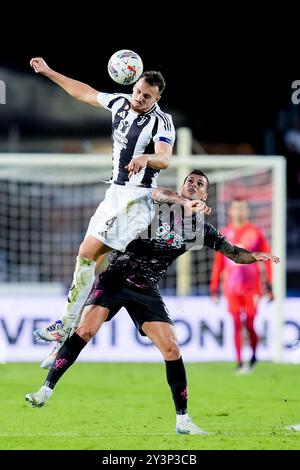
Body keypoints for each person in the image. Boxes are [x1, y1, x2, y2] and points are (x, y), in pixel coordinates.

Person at [26, 171, 279, 434]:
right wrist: (182, 203)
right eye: (189, 181)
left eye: (200, 184)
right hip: (116, 276)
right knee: (86, 330)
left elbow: (234, 253)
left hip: (146, 288)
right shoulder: (162, 206)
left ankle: (183, 420)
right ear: (182, 187)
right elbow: (156, 192)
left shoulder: (199, 231)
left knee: (171, 349)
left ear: (205, 195)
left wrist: (256, 256)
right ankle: (45, 390)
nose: (193, 185)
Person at [29, 57, 176, 342]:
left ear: (158, 97)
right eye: (137, 91)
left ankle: (69, 324)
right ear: (132, 86)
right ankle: (71, 326)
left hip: (137, 199)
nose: (139, 98)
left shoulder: (162, 121)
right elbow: (82, 92)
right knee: (89, 259)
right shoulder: (120, 102)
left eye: (147, 96)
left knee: (90, 254)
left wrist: (146, 158)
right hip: (114, 195)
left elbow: (165, 158)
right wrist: (48, 71)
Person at [209, 198, 274, 373]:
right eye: (236, 208)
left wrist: (269, 283)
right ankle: (239, 362)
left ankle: (253, 356)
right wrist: (214, 287)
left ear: (246, 211)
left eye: (242, 209)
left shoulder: (255, 233)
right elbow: (218, 263)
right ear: (231, 211)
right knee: (236, 322)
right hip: (231, 287)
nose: (239, 212)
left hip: (252, 287)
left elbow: (267, 259)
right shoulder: (223, 233)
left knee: (251, 322)